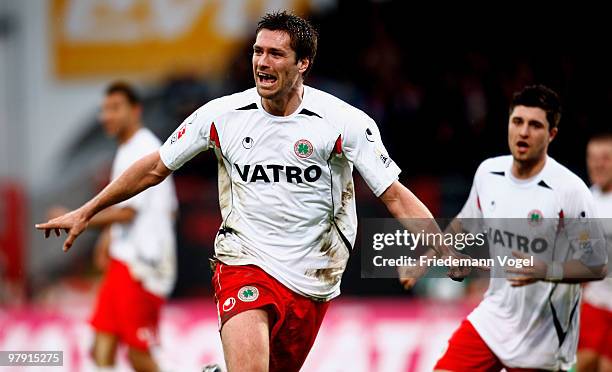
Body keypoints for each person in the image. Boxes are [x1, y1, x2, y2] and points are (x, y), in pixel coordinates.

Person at [36, 11, 465, 372]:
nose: (262, 62)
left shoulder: (343, 122)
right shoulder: (224, 114)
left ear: (303, 64)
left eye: (276, 53)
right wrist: (87, 210)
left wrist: (440, 245)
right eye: (257, 51)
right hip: (244, 261)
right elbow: (153, 169)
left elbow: (394, 194)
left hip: (313, 277)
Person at [418, 85, 606, 371]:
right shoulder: (489, 173)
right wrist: (430, 258)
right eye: (517, 122)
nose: (523, 132)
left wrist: (546, 270)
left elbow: (596, 264)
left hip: (543, 335)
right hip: (493, 319)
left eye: (535, 125)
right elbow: (465, 223)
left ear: (551, 134)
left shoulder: (570, 191)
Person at [47, 82, 178, 372]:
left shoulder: (144, 149)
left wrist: (77, 216)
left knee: (138, 354)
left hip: (141, 266)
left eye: (115, 108)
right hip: (125, 259)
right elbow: (162, 210)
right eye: (104, 110)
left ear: (136, 110)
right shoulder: (129, 149)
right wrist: (110, 235)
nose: (107, 116)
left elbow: (128, 213)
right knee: (100, 348)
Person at [577, 133, 612, 372]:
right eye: (593, 158)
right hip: (595, 302)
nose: (598, 164)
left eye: (606, 158)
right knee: (586, 361)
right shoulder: (585, 202)